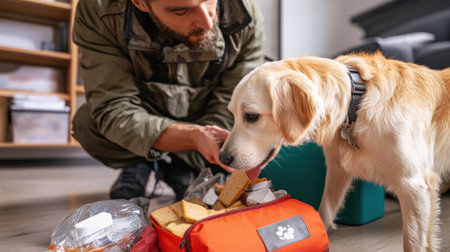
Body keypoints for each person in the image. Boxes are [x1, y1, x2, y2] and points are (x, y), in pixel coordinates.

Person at [71, 0, 265, 201]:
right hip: (146, 113)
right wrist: (193, 137)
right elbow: (114, 107)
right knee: (89, 125)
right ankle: (143, 162)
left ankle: (177, 167)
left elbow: (235, 101)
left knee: (260, 113)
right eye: (182, 11)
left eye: (208, 1)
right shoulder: (100, 12)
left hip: (207, 114)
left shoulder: (243, 12)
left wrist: (210, 139)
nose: (207, 22)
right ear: (140, 3)